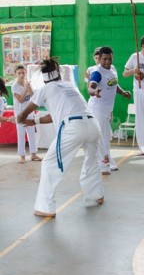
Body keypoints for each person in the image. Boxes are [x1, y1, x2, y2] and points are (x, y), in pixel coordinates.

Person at [17, 57, 104, 217]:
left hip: (73, 127)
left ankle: (45, 208)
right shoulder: (69, 86)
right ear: (58, 75)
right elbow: (55, 114)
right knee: (91, 161)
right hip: (92, 125)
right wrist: (34, 121)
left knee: (50, 164)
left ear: (44, 79)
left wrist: (20, 118)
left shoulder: (45, 89)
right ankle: (96, 195)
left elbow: (25, 112)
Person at [88, 46, 131, 175]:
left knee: (105, 138)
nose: (107, 62)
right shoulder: (97, 72)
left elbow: (114, 84)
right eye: (104, 59)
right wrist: (94, 92)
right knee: (102, 138)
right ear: (99, 58)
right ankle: (104, 166)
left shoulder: (112, 69)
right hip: (97, 108)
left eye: (110, 59)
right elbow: (90, 87)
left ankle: (106, 162)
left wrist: (123, 93)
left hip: (107, 109)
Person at [11, 65, 42, 163]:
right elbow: (20, 100)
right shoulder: (14, 86)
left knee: (32, 134)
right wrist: (25, 89)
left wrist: (30, 88)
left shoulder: (28, 83)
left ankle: (33, 154)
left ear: (25, 73)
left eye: (23, 72)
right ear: (15, 74)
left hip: (30, 113)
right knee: (21, 135)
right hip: (20, 114)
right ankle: (22, 156)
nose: (21, 75)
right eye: (19, 73)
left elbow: (33, 97)